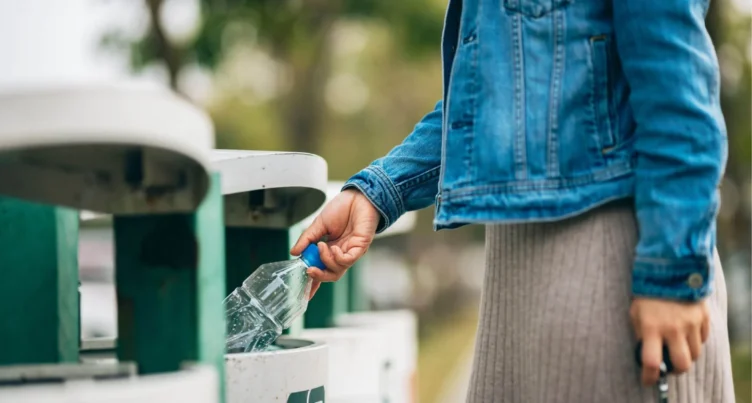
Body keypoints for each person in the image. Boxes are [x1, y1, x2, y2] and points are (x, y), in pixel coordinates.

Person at [291, 0, 735, 401]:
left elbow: (679, 91)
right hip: (513, 281)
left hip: (611, 268)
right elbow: (488, 102)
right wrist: (378, 191)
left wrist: (673, 272)